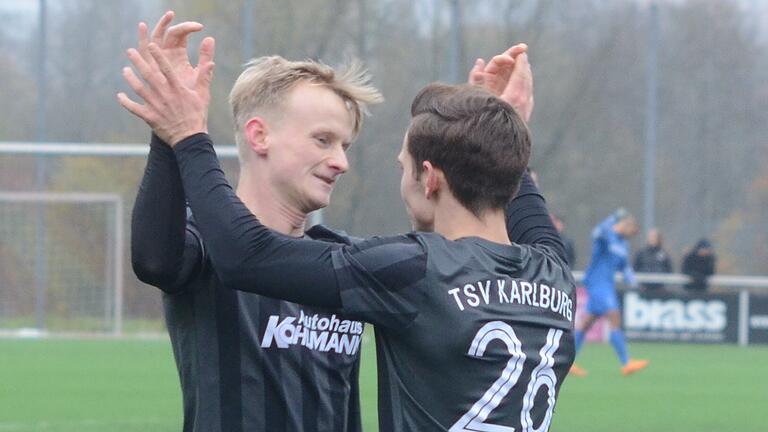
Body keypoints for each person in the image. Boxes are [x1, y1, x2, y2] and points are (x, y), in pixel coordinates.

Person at [120, 37, 576, 431]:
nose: (341, 161)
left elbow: (249, 255)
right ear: (259, 136)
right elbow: (155, 258)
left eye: (345, 145)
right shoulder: (208, 245)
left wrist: (186, 134)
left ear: (429, 178)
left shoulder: (362, 264)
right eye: (324, 140)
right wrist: (170, 133)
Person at [570, 209, 648, 377]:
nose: (631, 235)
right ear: (624, 224)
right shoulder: (607, 234)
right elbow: (596, 233)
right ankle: (626, 362)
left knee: (586, 324)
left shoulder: (623, 244)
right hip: (597, 284)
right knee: (614, 316)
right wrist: (613, 218)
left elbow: (624, 266)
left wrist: (631, 279)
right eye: (631, 230)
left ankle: (568, 360)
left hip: (607, 285)